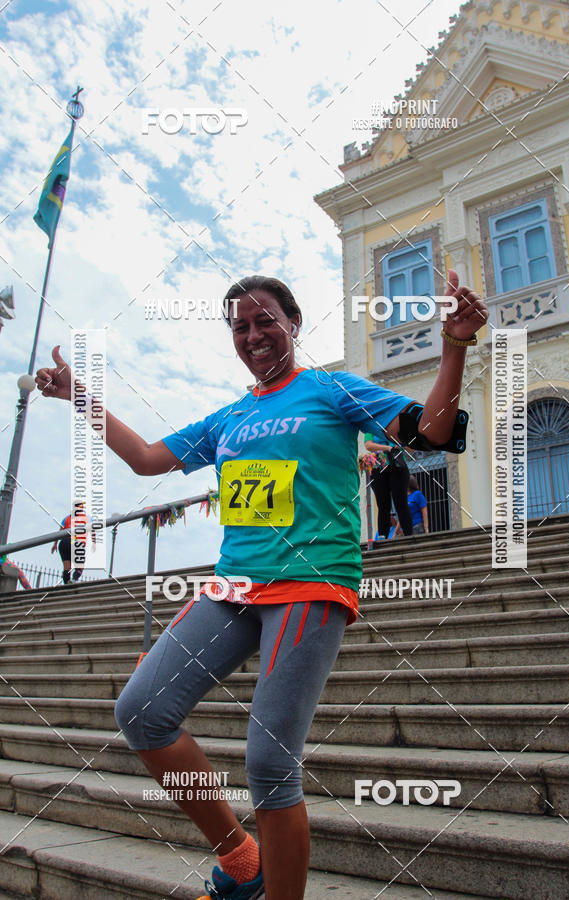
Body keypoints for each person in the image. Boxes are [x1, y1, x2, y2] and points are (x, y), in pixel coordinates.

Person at [35, 271, 487, 900]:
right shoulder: (230, 416)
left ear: (293, 324)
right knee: (142, 709)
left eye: (266, 320)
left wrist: (454, 346)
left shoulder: (329, 390)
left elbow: (432, 431)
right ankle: (242, 863)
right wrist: (78, 395)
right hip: (233, 588)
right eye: (240, 326)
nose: (254, 334)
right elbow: (144, 458)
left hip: (309, 585)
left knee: (271, 761)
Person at [364, 432, 412, 539]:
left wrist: (400, 445)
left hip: (398, 465)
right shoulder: (371, 426)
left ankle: (409, 536)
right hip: (379, 466)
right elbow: (368, 445)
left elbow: (411, 447)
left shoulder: (396, 427)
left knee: (401, 503)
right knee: (383, 505)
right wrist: (388, 448)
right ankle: (382, 537)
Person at [51, 501, 94, 584]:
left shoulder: (66, 518)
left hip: (64, 542)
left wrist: (55, 544)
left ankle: (66, 585)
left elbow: (59, 532)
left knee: (67, 567)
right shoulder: (87, 518)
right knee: (80, 567)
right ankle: (73, 580)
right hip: (76, 541)